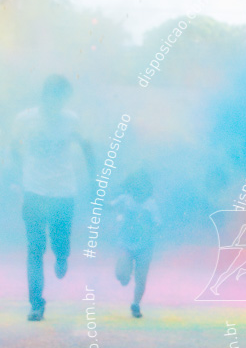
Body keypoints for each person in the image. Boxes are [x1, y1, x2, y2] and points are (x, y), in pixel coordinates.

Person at [10, 75, 95, 321]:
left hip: (63, 192)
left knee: (59, 241)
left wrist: (94, 179)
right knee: (35, 248)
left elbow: (87, 147)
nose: (58, 103)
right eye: (54, 97)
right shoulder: (26, 119)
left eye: (62, 99)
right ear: (45, 96)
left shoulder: (71, 120)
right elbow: (14, 148)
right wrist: (19, 176)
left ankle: (62, 255)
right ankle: (36, 303)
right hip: (34, 190)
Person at [111, 171, 159, 318]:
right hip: (126, 243)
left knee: (141, 277)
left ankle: (136, 304)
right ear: (131, 188)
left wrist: (148, 223)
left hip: (145, 246)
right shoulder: (124, 200)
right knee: (121, 274)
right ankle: (125, 276)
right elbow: (109, 206)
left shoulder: (151, 204)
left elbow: (158, 224)